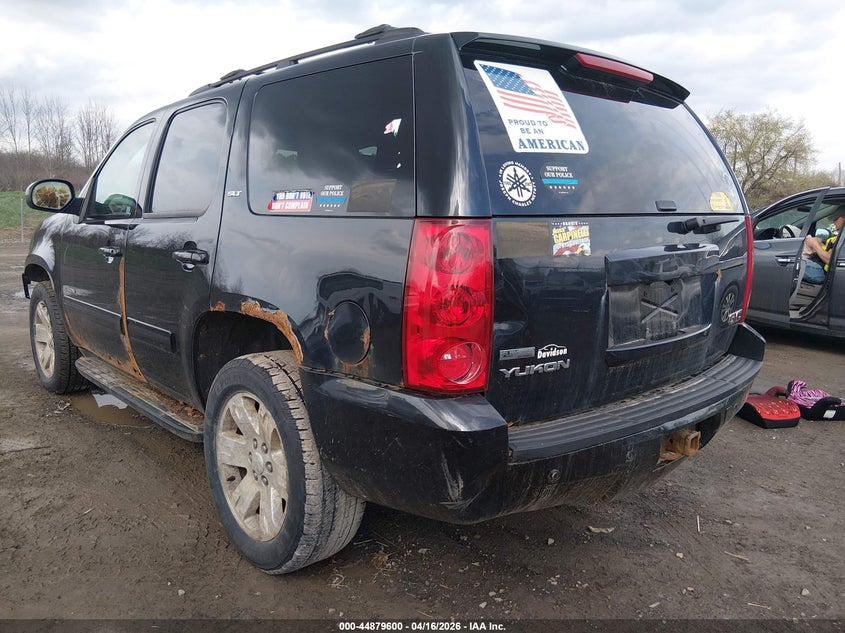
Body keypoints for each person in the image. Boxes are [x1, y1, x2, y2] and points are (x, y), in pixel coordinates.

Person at [803, 207, 844, 284]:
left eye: (836, 219)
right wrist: (820, 245)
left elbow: (831, 260)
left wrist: (815, 245)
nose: (833, 222)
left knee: (793, 262)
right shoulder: (839, 236)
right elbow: (832, 253)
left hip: (827, 274)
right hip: (823, 268)